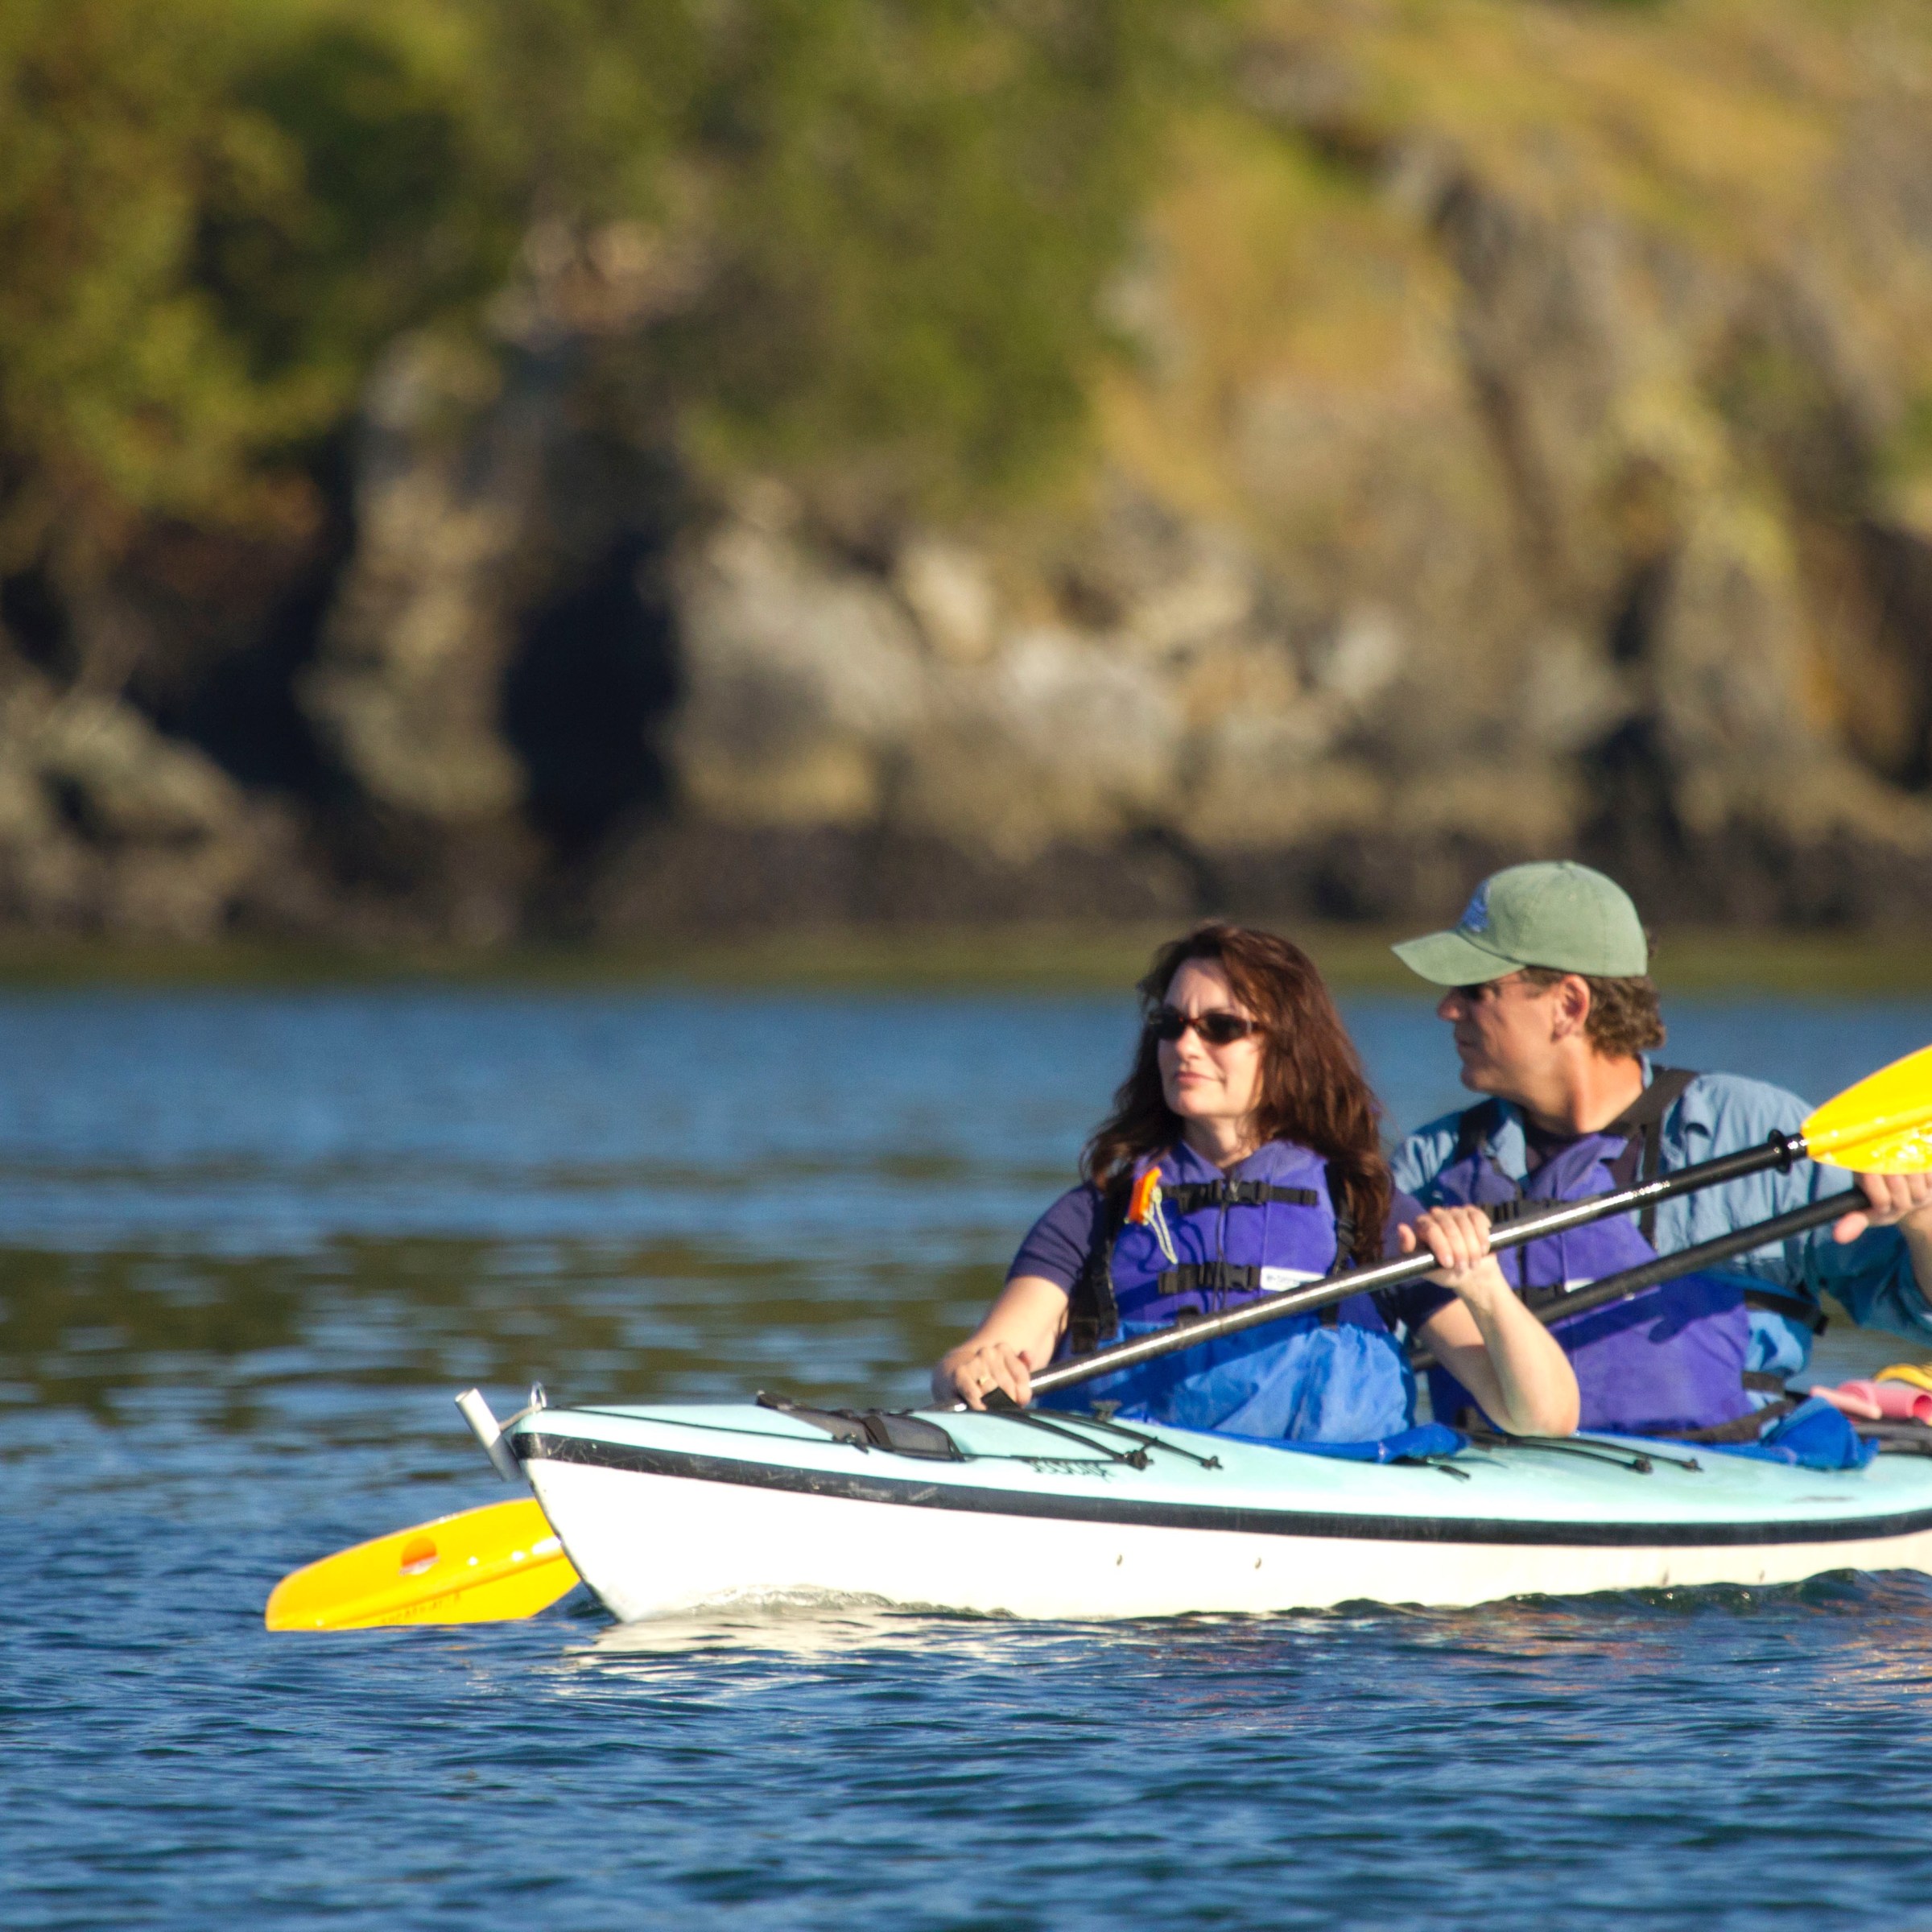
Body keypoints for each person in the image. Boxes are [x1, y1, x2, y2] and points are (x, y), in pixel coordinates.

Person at [934, 923, 1579, 1441]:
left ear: (1288, 1049)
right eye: (1170, 1024)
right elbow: (980, 1359)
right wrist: (970, 1371)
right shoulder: (1095, 1212)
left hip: (1332, 1529)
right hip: (1139, 1504)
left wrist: (1485, 1287)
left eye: (1220, 1028)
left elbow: (1543, 1418)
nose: (1184, 1047)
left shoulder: (1374, 1212)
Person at [1389, 861, 1932, 1439]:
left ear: (1569, 1005)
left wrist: (1922, 1222)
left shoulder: (1755, 1132)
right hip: (1501, 1486)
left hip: (1733, 1483)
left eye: (1477, 991)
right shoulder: (1432, 1166)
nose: (1448, 1009)